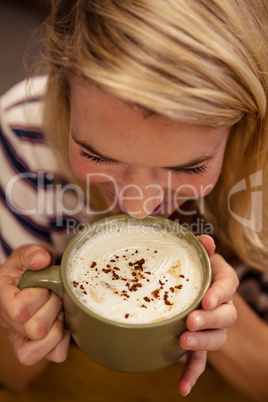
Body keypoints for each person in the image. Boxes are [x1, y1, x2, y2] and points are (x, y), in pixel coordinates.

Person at [0, 0, 267, 400]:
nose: (137, 208)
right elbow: (11, 376)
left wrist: (209, 308)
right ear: (62, 91)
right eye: (95, 155)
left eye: (190, 167)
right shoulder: (24, 139)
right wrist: (20, 319)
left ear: (244, 125)